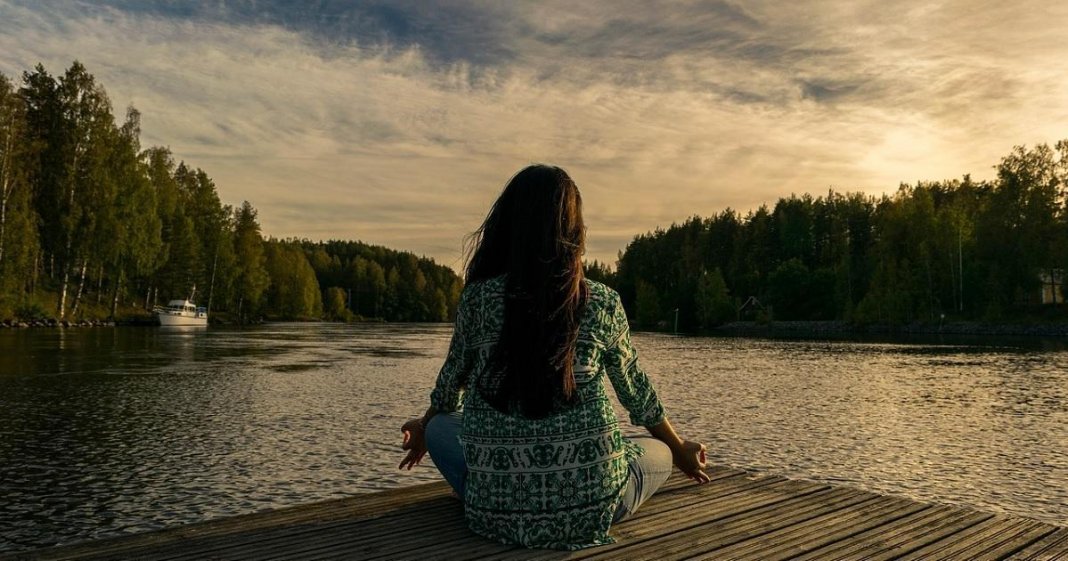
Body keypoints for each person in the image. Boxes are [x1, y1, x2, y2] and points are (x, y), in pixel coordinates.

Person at [398, 164, 709, 550]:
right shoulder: (602, 301)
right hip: (593, 508)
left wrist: (424, 427)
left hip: (493, 515)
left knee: (442, 425)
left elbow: (449, 387)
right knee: (658, 450)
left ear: (507, 226)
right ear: (574, 231)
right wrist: (681, 451)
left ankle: (497, 491)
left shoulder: (477, 299)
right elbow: (637, 395)